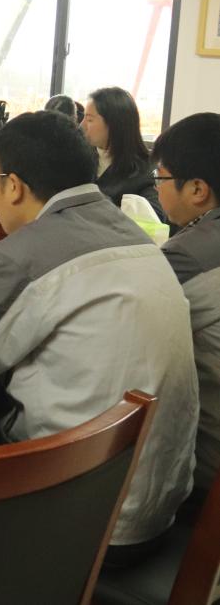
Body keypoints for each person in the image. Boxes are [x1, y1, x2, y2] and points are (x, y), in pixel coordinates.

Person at [0, 110, 196, 562]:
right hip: (156, 507)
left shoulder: (23, 255)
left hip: (82, 522)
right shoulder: (133, 234)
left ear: (13, 185)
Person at [152, 113, 220, 496]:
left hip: (207, 468)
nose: (156, 188)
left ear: (197, 189)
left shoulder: (186, 256)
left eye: (160, 178)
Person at [83, 86, 166, 222]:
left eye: (89, 120)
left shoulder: (146, 170)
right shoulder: (81, 157)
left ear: (114, 123)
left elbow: (153, 219)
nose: (82, 125)